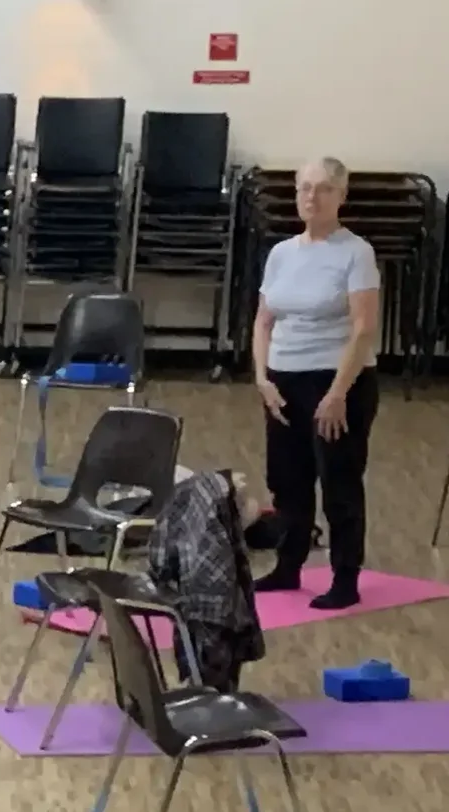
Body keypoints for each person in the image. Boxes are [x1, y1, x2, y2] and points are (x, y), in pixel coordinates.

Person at [252, 157, 382, 609]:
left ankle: (345, 577)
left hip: (337, 381)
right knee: (287, 480)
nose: (312, 197)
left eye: (324, 189)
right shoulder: (282, 253)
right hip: (284, 380)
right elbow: (264, 321)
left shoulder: (355, 252)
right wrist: (262, 378)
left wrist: (337, 393)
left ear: (341, 196)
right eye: (304, 188)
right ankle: (288, 566)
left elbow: (364, 326)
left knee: (339, 480)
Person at [145, 469, 266, 692]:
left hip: (196, 596)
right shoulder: (218, 574)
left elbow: (158, 563)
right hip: (214, 613)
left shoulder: (189, 513)